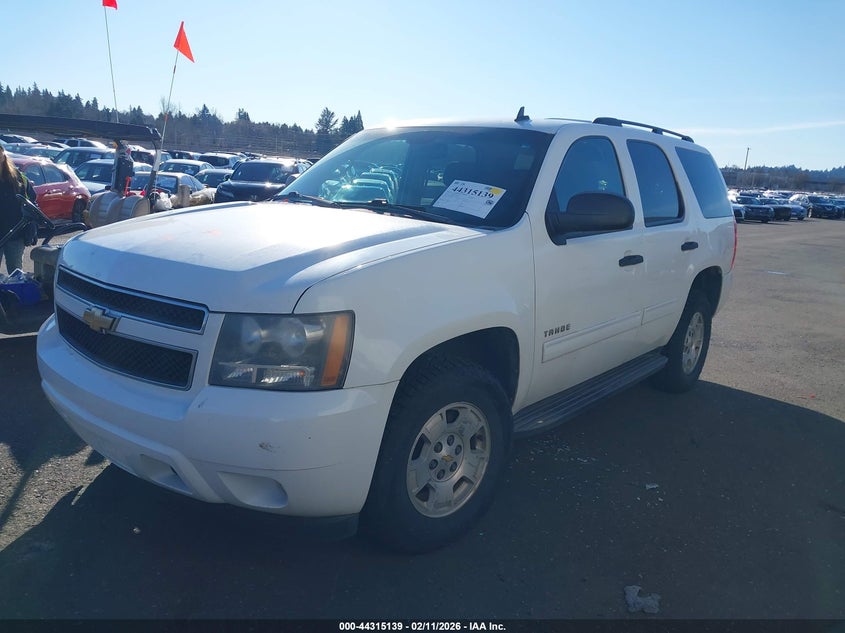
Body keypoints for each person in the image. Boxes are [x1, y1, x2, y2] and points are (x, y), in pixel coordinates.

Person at [0, 144, 38, 274]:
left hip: (15, 233)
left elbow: (31, 202)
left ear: (3, 155)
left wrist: (31, 225)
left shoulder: (19, 178)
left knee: (15, 272)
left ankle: (14, 293)